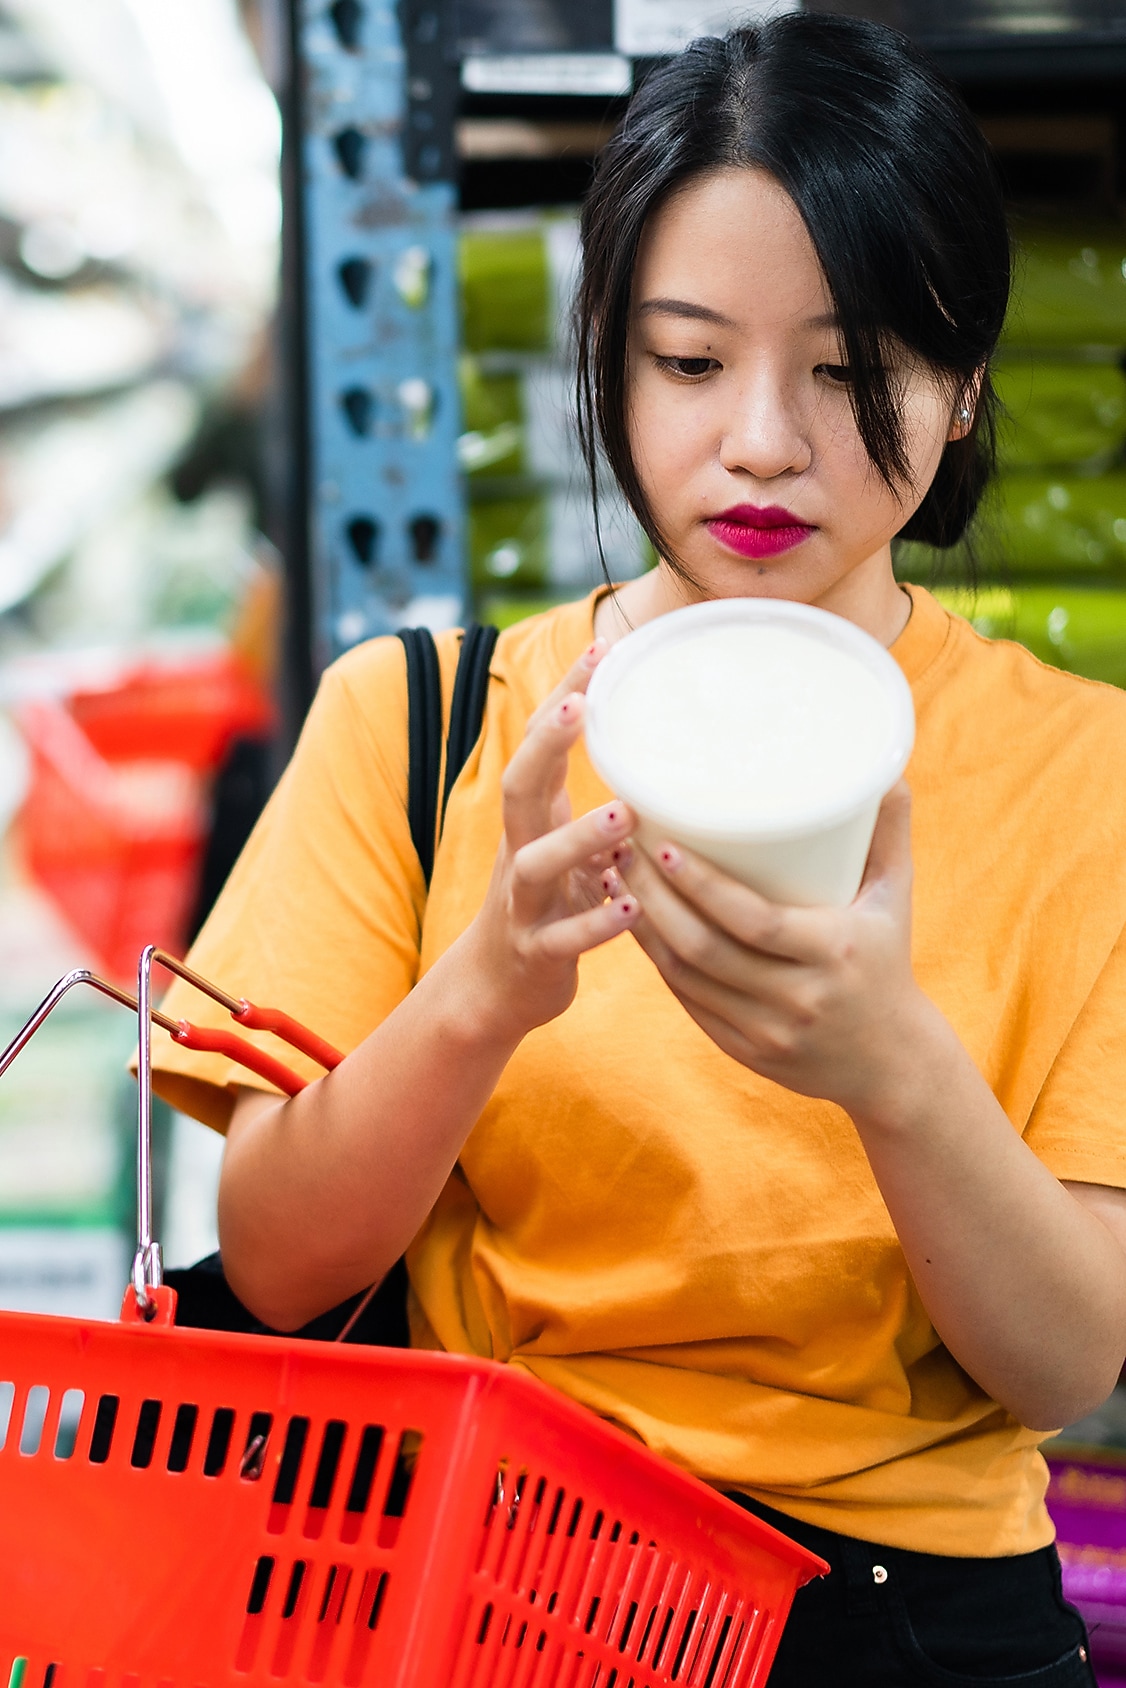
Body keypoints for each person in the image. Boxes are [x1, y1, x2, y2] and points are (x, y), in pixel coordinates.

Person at [151, 15, 1126, 1683]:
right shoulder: (418, 722)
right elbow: (283, 1271)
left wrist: (892, 1069)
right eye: (687, 362)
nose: (759, 439)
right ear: (604, 363)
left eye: (851, 365)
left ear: (964, 384)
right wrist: (488, 991)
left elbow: (1061, 1367)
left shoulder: (1087, 771)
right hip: (502, 1576)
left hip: (915, 1626)